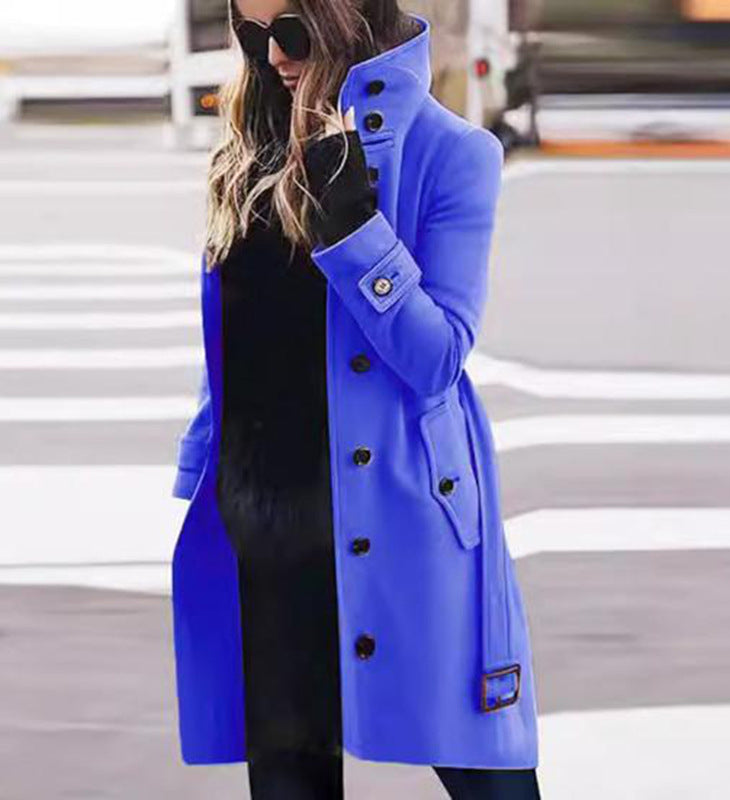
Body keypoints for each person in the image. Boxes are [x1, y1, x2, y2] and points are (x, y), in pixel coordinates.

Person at [170, 2, 542, 798]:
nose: (273, 58)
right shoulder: (248, 151)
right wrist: (206, 469)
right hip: (269, 518)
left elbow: (437, 357)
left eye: (291, 33)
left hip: (400, 511)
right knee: (289, 777)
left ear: (346, 18)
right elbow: (239, 331)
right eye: (252, 35)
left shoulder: (453, 153)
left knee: (489, 777)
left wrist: (353, 225)